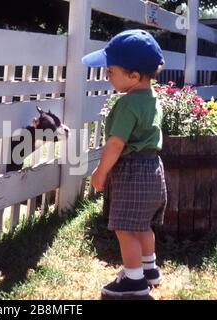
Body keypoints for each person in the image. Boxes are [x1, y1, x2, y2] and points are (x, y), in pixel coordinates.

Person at [81, 29, 167, 297]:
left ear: (133, 75)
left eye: (111, 71)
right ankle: (149, 269)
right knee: (142, 225)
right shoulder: (153, 99)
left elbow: (115, 144)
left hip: (132, 172)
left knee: (125, 228)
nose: (107, 76)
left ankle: (134, 281)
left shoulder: (127, 104)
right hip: (153, 170)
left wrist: (100, 172)